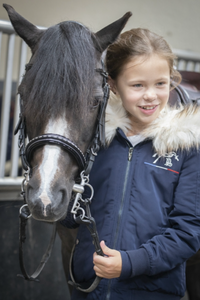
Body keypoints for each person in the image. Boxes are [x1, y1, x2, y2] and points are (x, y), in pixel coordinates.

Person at [61, 28, 200, 300]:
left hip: (152, 291)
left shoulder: (187, 146)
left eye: (160, 84)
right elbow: (72, 214)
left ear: (171, 82)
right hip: (89, 287)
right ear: (113, 84)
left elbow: (188, 232)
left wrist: (130, 263)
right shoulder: (94, 140)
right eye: (138, 85)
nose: (150, 95)